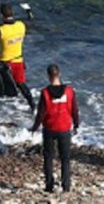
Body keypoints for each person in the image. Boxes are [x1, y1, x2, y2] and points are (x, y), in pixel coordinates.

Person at [30, 64, 80, 193]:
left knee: (48, 157)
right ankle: (66, 186)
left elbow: (41, 113)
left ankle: (49, 185)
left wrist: (35, 127)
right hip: (64, 128)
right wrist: (76, 124)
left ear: (48, 76)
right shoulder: (69, 91)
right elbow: (74, 109)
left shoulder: (45, 93)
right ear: (59, 74)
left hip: (50, 128)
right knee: (65, 158)